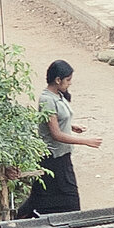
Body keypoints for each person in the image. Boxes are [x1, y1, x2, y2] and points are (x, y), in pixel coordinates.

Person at [20, 60, 101, 217]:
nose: (69, 84)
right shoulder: (47, 99)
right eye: (68, 80)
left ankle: (26, 216)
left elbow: (55, 120)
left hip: (63, 155)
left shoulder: (58, 96)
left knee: (44, 195)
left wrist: (71, 126)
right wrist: (86, 141)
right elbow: (55, 134)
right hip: (52, 157)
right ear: (58, 80)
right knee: (66, 198)